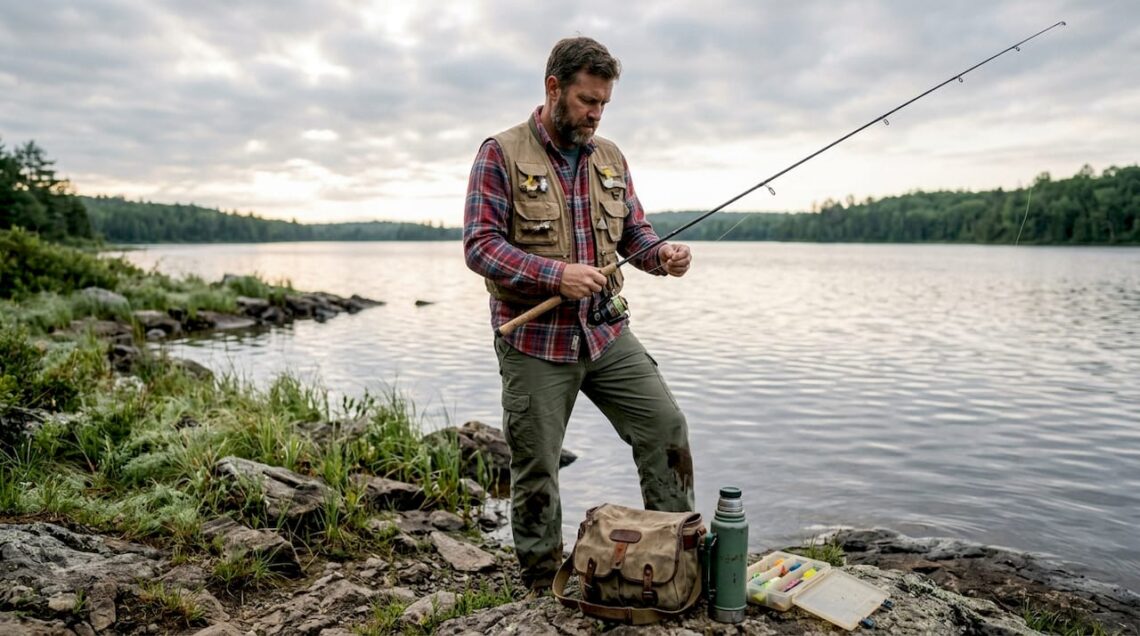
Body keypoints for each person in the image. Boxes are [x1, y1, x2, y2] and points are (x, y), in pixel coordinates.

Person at [463, 36, 695, 594]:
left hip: (606, 333)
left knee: (667, 430)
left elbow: (634, 233)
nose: (596, 114)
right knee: (537, 470)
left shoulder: (610, 157)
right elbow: (480, 247)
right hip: (534, 342)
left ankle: (678, 563)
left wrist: (661, 256)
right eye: (588, 101)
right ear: (553, 88)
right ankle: (542, 587)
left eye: (603, 104)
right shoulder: (500, 152)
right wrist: (555, 275)